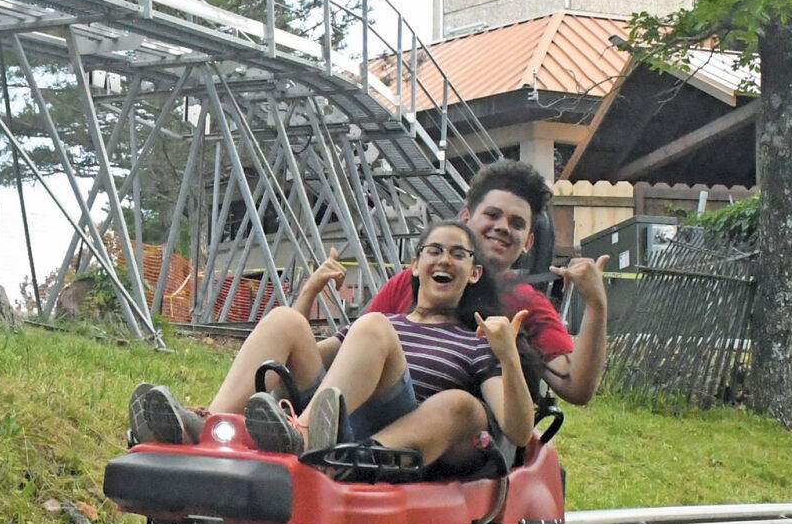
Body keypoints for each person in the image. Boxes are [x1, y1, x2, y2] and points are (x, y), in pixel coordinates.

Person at [130, 220, 539, 479]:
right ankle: (209, 427)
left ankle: (303, 438)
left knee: (460, 404)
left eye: (457, 254)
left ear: (474, 273)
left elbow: (518, 432)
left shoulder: (476, 342)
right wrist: (308, 292)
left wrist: (508, 356)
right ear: (415, 267)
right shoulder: (385, 326)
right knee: (286, 320)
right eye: (433, 250)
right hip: (337, 416)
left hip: (394, 441)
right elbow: (295, 355)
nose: (443, 259)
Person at [368, 159, 608, 406]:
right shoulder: (409, 282)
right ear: (465, 219)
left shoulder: (528, 305)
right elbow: (361, 344)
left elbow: (575, 388)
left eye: (517, 223)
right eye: (492, 215)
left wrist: (596, 304)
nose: (502, 227)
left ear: (528, 242)